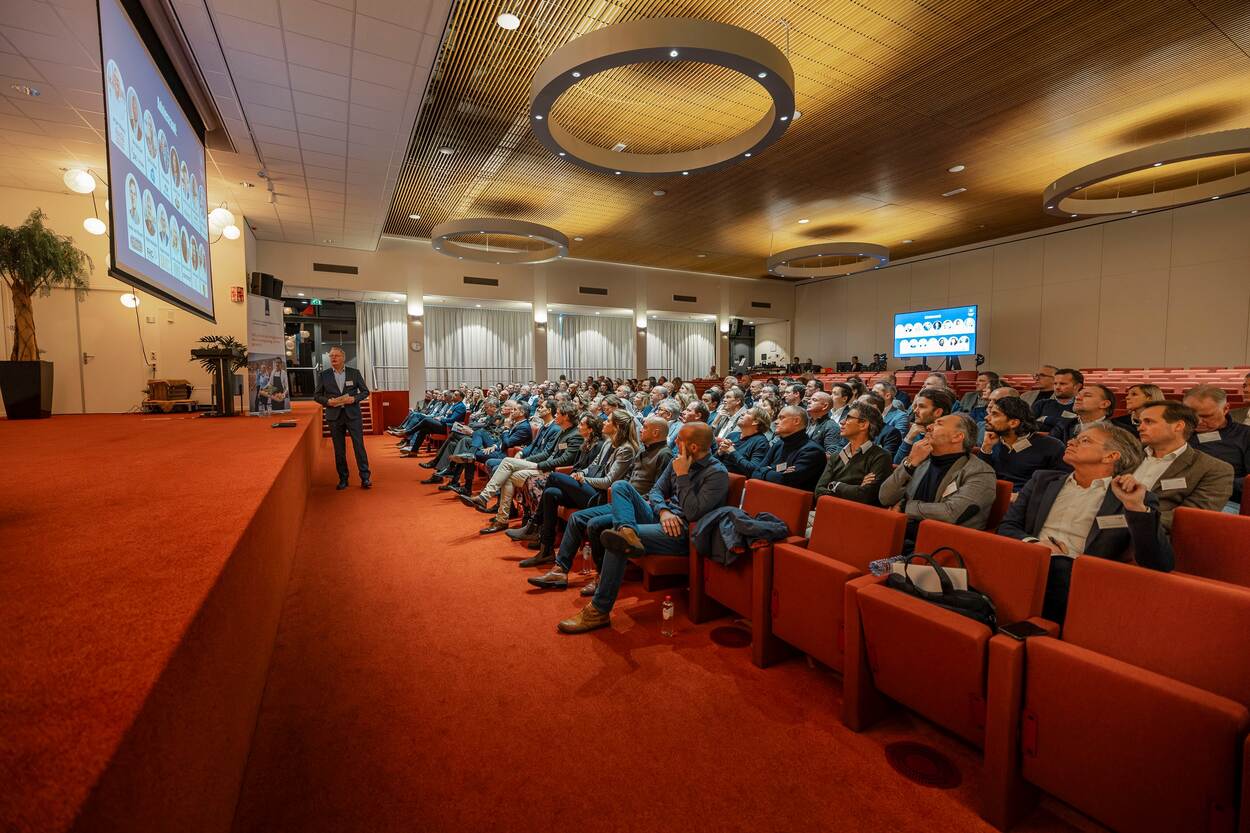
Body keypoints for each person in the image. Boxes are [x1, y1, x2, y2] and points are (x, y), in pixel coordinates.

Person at [557, 422, 729, 633]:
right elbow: (656, 491)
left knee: (616, 541)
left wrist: (682, 476)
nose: (675, 441)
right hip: (660, 517)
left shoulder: (717, 473)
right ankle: (627, 531)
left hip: (681, 532)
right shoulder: (678, 461)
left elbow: (694, 513)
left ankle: (599, 611)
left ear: (693, 447)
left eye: (680, 439)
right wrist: (664, 511)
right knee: (621, 486)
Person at [997, 423, 1172, 624]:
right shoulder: (1042, 480)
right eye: (1075, 438)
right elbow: (1007, 526)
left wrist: (1135, 507)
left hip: (1081, 578)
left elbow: (1158, 563)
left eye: (1085, 441)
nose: (1070, 442)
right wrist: (1036, 545)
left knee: (1060, 568)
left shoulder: (1133, 497)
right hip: (1027, 558)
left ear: (1111, 456)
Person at [529, 418, 673, 593]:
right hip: (623, 502)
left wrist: (631, 499)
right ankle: (560, 570)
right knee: (576, 517)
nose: (641, 429)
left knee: (595, 524)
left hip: (639, 506)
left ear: (656, 433)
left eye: (646, 427)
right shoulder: (642, 450)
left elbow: (658, 490)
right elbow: (627, 478)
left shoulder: (664, 454)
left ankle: (601, 576)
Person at [515, 411, 637, 564]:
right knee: (551, 493)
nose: (604, 422)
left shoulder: (626, 449)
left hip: (601, 496)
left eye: (608, 421)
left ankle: (533, 524)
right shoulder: (608, 442)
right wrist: (580, 473)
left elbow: (608, 481)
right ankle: (546, 550)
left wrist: (584, 479)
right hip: (590, 488)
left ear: (617, 426)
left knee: (553, 477)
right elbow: (593, 466)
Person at [878, 413, 997, 544]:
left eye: (938, 423)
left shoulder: (980, 472)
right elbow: (885, 497)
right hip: (903, 537)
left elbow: (950, 512)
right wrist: (909, 464)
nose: (928, 427)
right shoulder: (919, 459)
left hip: (943, 547)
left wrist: (904, 506)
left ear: (957, 437)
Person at [475, 401, 585, 534]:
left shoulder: (574, 434)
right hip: (544, 465)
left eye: (558, 413)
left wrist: (538, 464)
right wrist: (525, 457)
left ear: (566, 416)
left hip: (553, 471)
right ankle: (502, 519)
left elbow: (565, 460)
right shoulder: (563, 431)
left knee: (507, 462)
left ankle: (485, 497)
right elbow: (549, 453)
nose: (555, 415)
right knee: (509, 476)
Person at [1130, 400, 1233, 530]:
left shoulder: (1213, 469)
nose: (1140, 428)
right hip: (1106, 533)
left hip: (1155, 537)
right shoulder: (1127, 456)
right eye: (1140, 422)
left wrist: (1134, 522)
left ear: (1178, 426)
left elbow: (1192, 517)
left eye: (1149, 422)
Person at [721, 405, 825, 491]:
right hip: (765, 493)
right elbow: (755, 473)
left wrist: (767, 470)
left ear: (796, 421)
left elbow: (785, 481)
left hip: (789, 504)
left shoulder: (812, 451)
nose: (775, 422)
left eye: (781, 418)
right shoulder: (780, 443)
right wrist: (774, 471)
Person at [1183, 384, 1250, 511]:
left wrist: (1212, 483)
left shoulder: (1245, 435)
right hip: (1175, 496)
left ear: (1226, 409)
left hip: (1225, 500)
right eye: (1191, 415)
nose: (1198, 421)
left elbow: (1247, 482)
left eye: (1206, 416)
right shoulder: (1176, 432)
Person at [979, 396, 1067, 491]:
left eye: (995, 414)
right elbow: (980, 477)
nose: (986, 417)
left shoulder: (1052, 446)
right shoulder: (992, 442)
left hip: (1026, 500)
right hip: (991, 496)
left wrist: (1021, 497)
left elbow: (1059, 483)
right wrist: (986, 448)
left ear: (1013, 423)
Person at [314, 346, 371, 490]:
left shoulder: (354, 373)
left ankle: (365, 478)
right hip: (334, 417)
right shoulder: (324, 375)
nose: (333, 358)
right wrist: (327, 402)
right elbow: (316, 395)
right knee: (339, 450)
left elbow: (365, 392)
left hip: (353, 415)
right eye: (331, 356)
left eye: (336, 356)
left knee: (359, 447)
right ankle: (343, 479)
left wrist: (354, 398)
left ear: (343, 358)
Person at [814, 403, 893, 505]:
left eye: (848, 418)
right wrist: (857, 487)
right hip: (829, 510)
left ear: (863, 425)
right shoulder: (836, 455)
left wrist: (834, 485)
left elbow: (866, 496)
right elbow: (819, 491)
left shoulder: (881, 457)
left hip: (857, 516)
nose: (842, 422)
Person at [894, 386, 955, 464]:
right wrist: (909, 438)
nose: (915, 411)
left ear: (938, 412)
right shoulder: (916, 431)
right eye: (916, 406)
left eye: (922, 407)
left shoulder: (946, 438)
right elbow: (896, 464)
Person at [1048, 383, 1114, 443]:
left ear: (1104, 404)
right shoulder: (1063, 425)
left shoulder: (1118, 430)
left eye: (1087, 395)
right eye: (1077, 395)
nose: (1077, 398)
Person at [715, 407, 770, 475]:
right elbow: (714, 462)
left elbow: (753, 470)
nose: (742, 413)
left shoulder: (761, 442)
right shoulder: (732, 435)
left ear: (756, 422)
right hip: (717, 473)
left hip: (736, 481)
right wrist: (719, 453)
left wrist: (732, 452)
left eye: (748, 413)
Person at [805, 391, 845, 456]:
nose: (809, 401)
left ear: (825, 406)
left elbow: (831, 454)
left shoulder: (831, 427)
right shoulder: (805, 421)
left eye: (814, 400)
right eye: (810, 399)